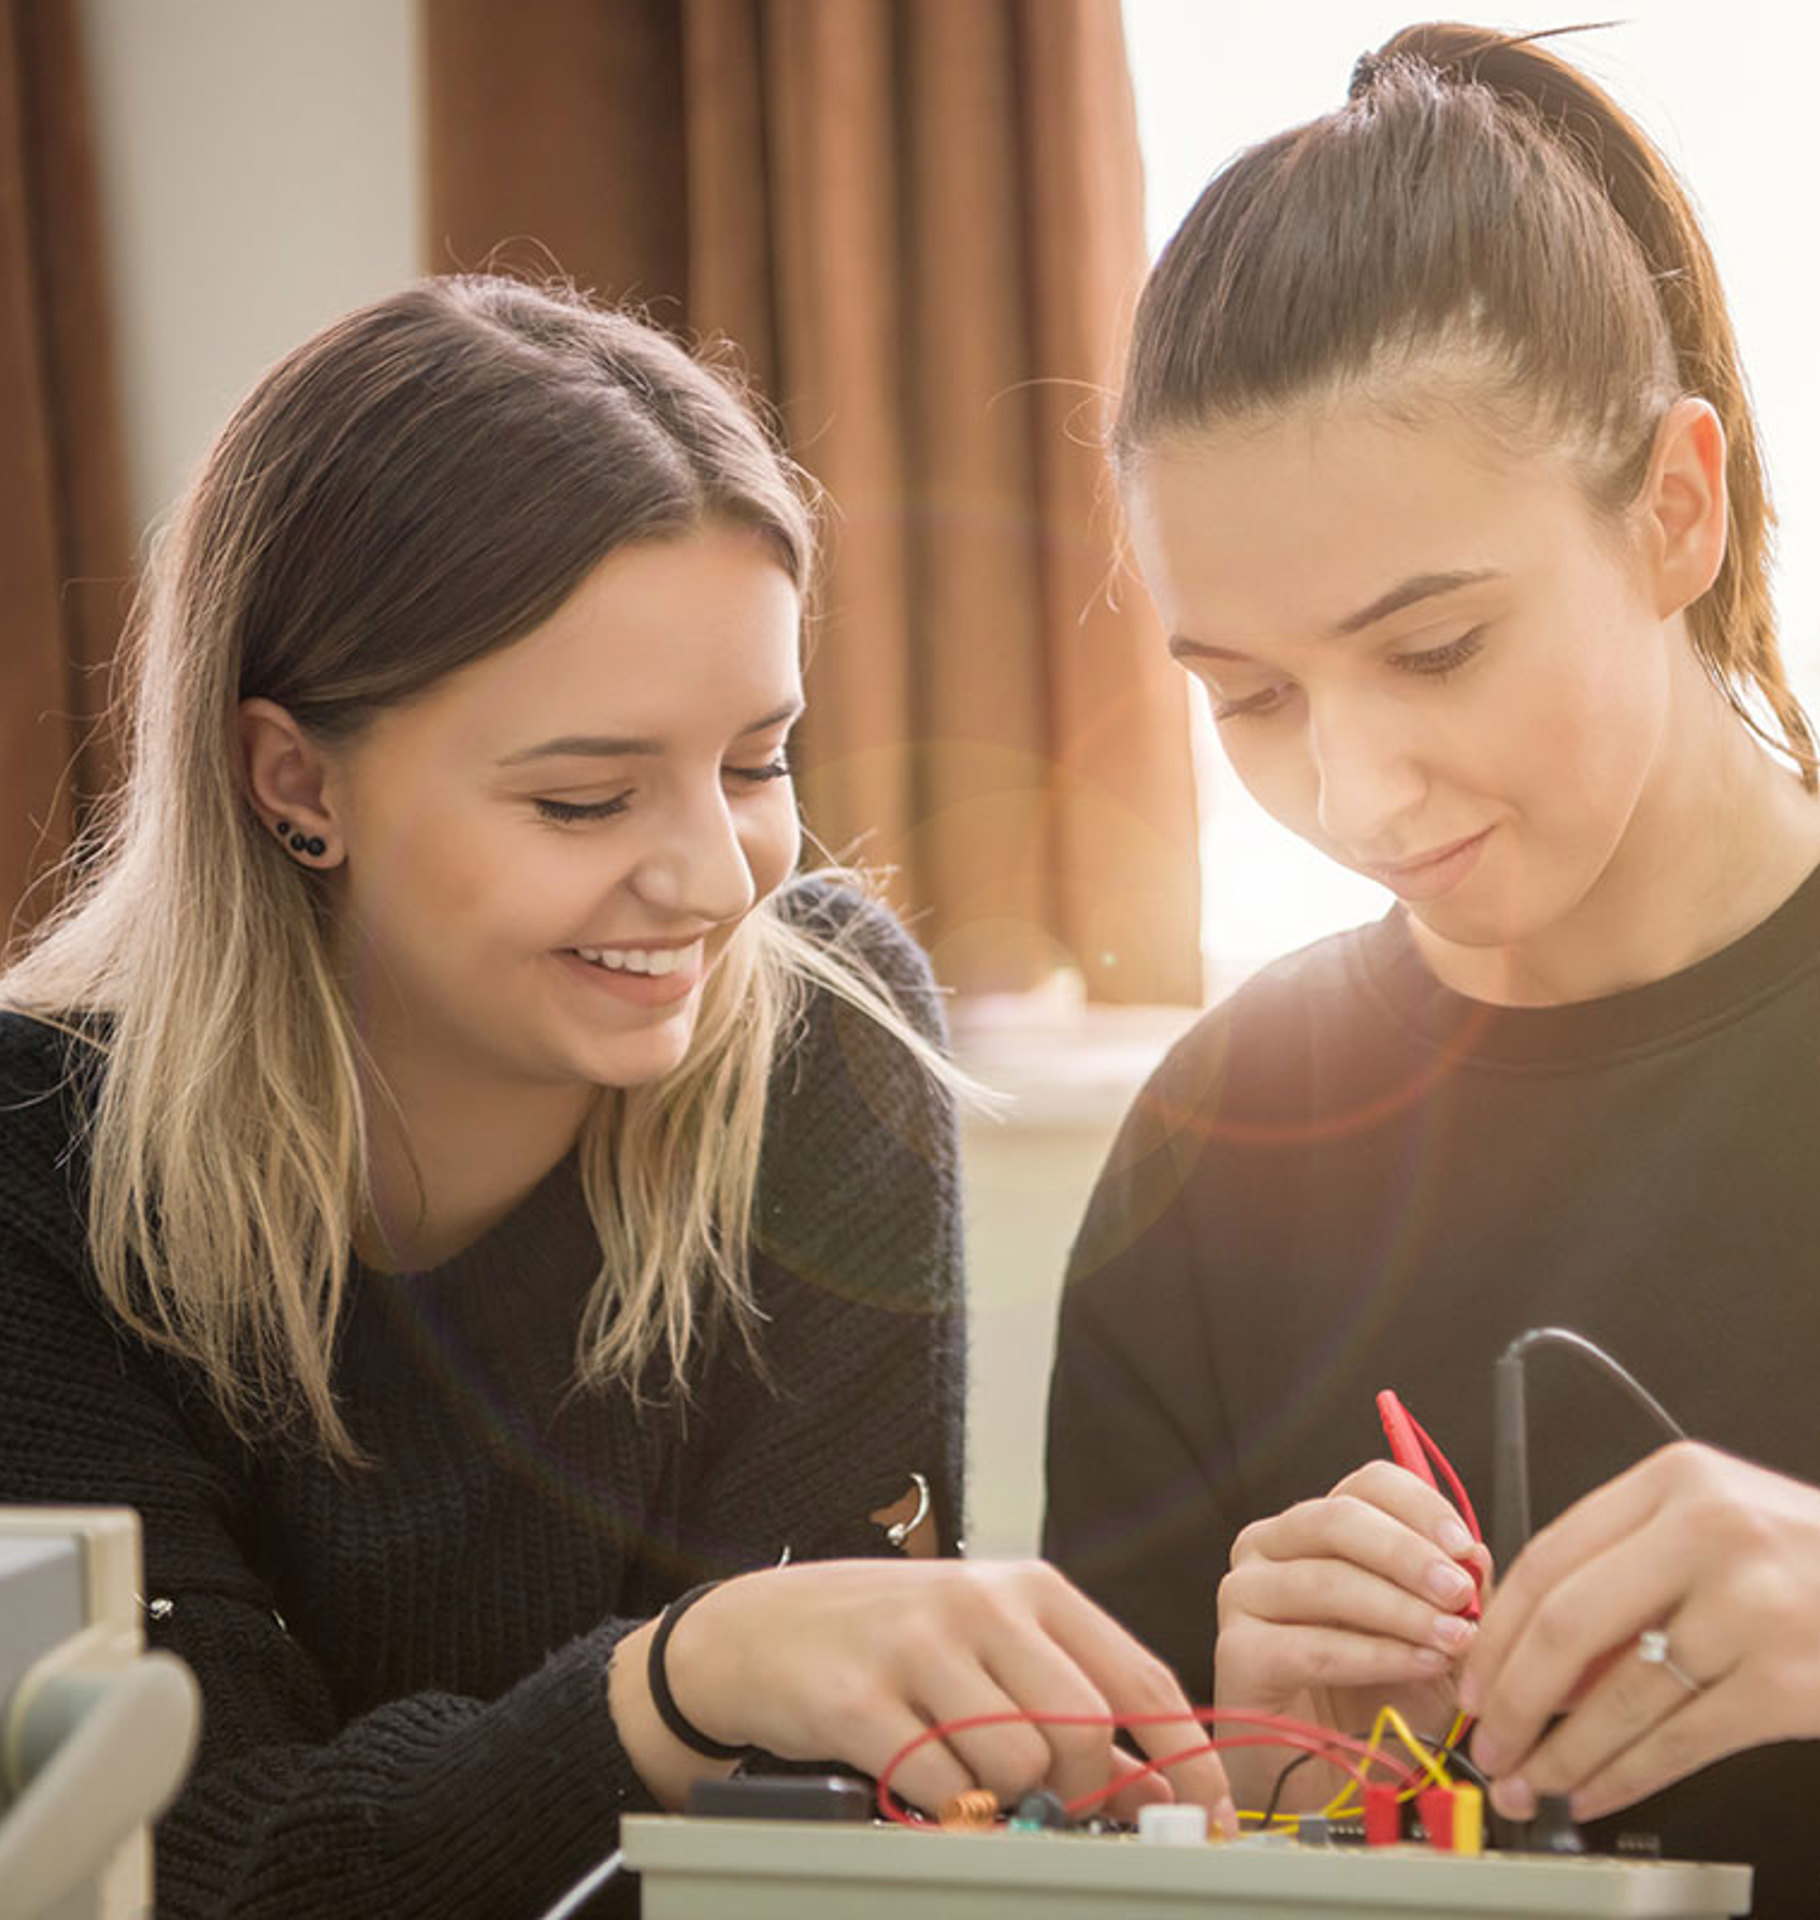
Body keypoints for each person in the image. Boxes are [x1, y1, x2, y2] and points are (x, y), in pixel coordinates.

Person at [0, 275, 1231, 1919]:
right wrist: (672, 1687)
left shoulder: (825, 1048)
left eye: (758, 762)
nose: (717, 880)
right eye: (585, 799)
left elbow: (821, 1852)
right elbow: (192, 1872)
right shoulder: (35, 1173)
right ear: (294, 780)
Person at [1041, 21, 1820, 1911]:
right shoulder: (1217, 1146)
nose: (1355, 792)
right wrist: (1265, 1796)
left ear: (1674, 510)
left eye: (1434, 652)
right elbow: (1094, 1856)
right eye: (1252, 698)